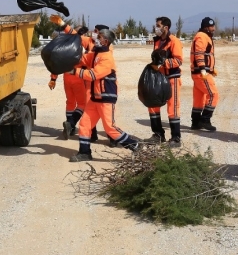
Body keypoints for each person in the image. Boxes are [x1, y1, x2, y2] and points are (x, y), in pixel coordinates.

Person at [67, 28, 138, 162]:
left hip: (106, 98)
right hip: (95, 98)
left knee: (110, 128)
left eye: (99, 37)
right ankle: (84, 152)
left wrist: (73, 71)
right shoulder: (95, 54)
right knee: (85, 124)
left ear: (105, 41)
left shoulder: (106, 58)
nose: (96, 39)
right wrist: (68, 59)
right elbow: (82, 59)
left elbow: (92, 75)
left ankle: (134, 145)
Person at [48, 15, 97, 141]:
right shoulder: (84, 44)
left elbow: (58, 61)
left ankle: (69, 126)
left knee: (70, 102)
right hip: (79, 77)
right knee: (82, 103)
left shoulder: (66, 43)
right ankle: (70, 124)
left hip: (66, 77)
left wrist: (53, 79)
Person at [147, 16, 184, 147]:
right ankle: (158, 134)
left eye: (158, 25)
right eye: (156, 25)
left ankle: (176, 138)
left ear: (166, 28)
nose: (156, 28)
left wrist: (163, 64)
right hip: (159, 78)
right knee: (152, 105)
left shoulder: (174, 41)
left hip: (172, 78)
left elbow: (179, 60)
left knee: (172, 107)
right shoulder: (157, 42)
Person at [190, 17, 220, 131]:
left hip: (199, 72)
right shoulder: (202, 37)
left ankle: (196, 122)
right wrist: (203, 69)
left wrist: (211, 69)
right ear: (206, 27)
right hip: (201, 73)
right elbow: (199, 54)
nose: (214, 28)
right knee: (213, 94)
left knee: (199, 98)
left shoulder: (204, 36)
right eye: (212, 26)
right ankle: (205, 120)